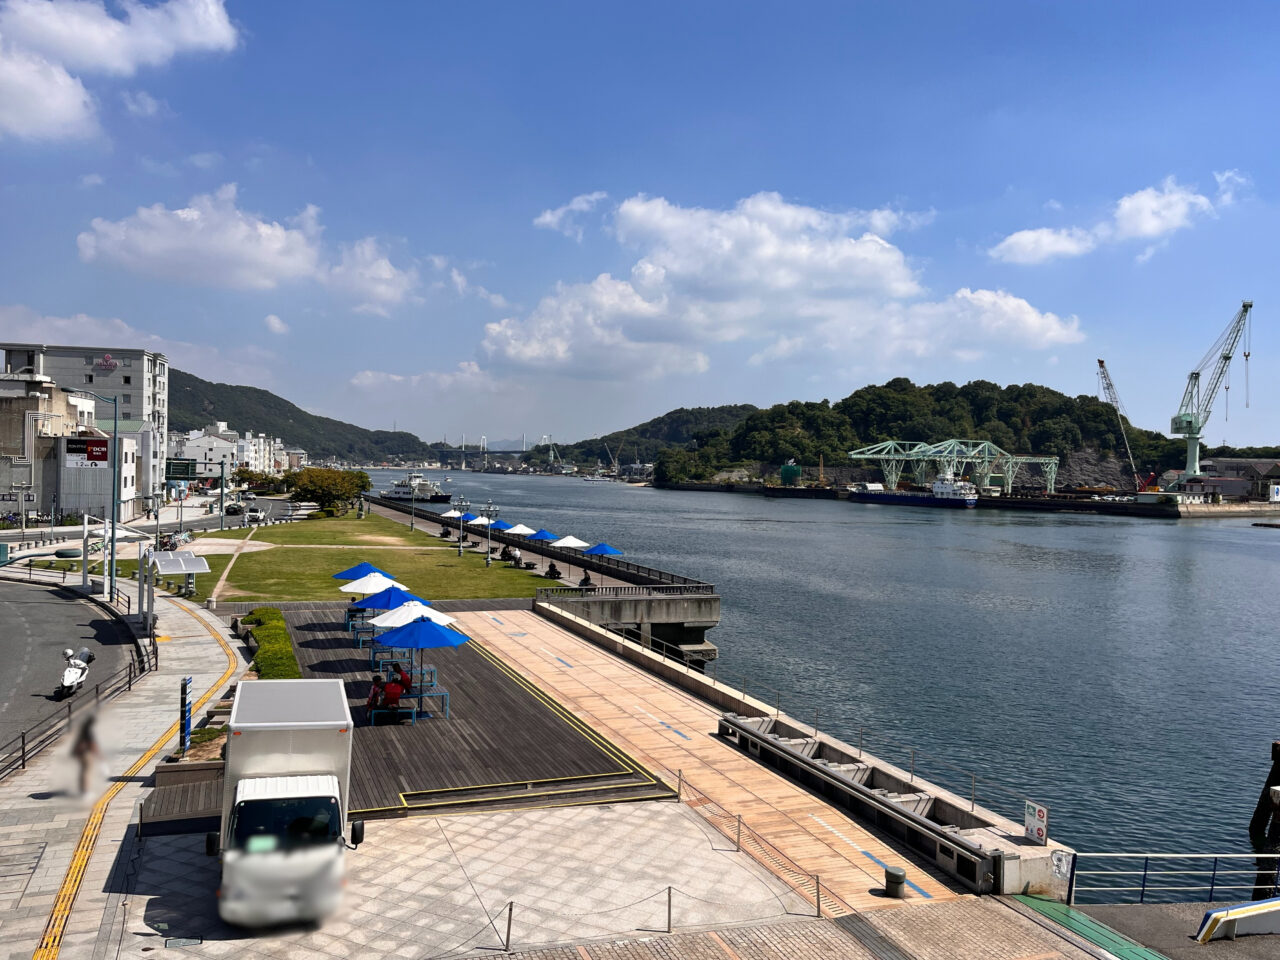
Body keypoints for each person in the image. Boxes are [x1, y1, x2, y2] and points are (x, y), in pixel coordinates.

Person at [71, 715, 98, 795]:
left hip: (79, 753)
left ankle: (82, 788)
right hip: (85, 753)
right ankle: (85, 790)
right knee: (86, 771)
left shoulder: (82, 731)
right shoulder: (88, 732)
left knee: (83, 771)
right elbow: (92, 744)